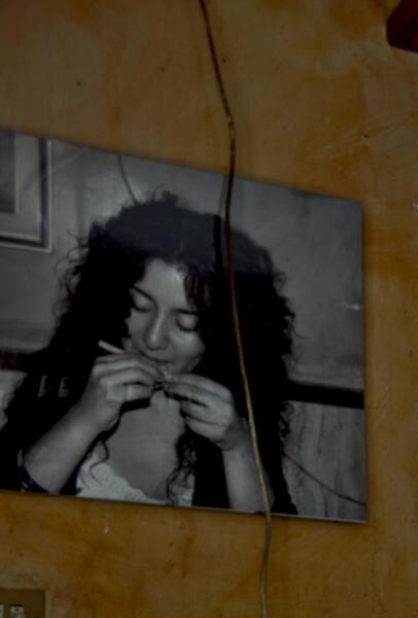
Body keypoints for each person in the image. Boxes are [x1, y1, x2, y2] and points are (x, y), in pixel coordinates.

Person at [0, 193, 296, 512]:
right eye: (139, 306)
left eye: (186, 323)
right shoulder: (64, 370)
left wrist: (238, 447)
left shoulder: (241, 400)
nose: (153, 339)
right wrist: (81, 422)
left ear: (223, 334)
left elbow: (277, 538)